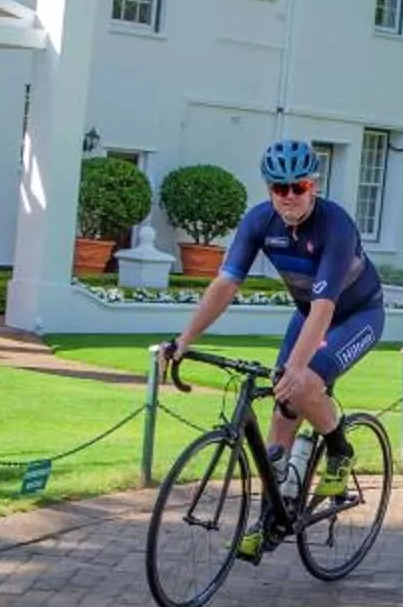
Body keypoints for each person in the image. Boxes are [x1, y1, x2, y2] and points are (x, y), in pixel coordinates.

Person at [164, 139, 386, 551]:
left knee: (301, 384)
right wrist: (183, 340)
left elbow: (324, 306)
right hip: (307, 314)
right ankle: (272, 519)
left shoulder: (336, 225)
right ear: (268, 189)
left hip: (356, 315)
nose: (289, 197)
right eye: (279, 188)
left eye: (297, 186)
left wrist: (298, 369)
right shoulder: (259, 222)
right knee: (281, 416)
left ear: (313, 186)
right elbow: (225, 284)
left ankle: (339, 449)